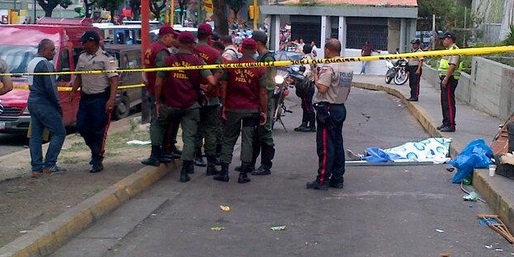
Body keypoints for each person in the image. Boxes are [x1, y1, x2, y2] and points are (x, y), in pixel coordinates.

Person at [153, 31, 216, 182]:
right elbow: (212, 82)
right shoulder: (198, 62)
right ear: (192, 44)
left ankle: (155, 155)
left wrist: (158, 101)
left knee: (158, 125)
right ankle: (185, 172)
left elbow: (157, 83)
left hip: (170, 103)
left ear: (179, 43)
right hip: (190, 105)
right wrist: (206, 91)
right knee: (189, 138)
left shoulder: (168, 60)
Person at [214, 38, 268, 183]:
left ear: (241, 49)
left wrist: (224, 105)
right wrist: (264, 111)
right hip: (252, 109)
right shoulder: (260, 68)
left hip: (233, 108)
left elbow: (224, 87)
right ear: (255, 50)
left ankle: (224, 172)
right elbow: (263, 92)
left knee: (228, 138)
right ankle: (243, 173)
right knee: (248, 140)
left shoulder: (230, 66)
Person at [306, 38, 353, 190]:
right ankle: (338, 178)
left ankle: (322, 179)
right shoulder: (347, 67)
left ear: (327, 50)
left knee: (326, 146)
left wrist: (315, 76)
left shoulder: (329, 67)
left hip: (328, 108)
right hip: (340, 107)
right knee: (338, 144)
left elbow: (322, 88)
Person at [70, 30, 119, 173]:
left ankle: (97, 159)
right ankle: (95, 149)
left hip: (100, 98)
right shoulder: (82, 58)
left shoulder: (107, 59)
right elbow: (79, 76)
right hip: (86, 98)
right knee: (81, 126)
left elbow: (114, 80)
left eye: (85, 42)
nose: (82, 44)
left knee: (99, 130)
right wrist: (73, 91)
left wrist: (111, 100)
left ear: (92, 42)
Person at [141, 25, 181, 166]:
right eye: (172, 36)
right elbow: (161, 76)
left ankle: (164, 151)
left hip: (153, 89)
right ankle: (157, 154)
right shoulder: (161, 51)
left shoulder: (151, 48)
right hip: (160, 92)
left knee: (161, 121)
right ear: (165, 36)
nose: (174, 39)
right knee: (159, 123)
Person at [26, 39, 66, 178]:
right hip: (44, 103)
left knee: (35, 136)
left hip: (32, 101)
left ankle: (36, 168)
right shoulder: (45, 64)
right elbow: (51, 87)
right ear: (44, 50)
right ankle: (50, 164)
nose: (54, 53)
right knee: (59, 132)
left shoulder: (31, 62)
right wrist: (58, 105)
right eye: (51, 50)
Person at [193, 23, 223, 176]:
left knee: (196, 128)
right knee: (210, 129)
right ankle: (211, 163)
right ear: (210, 36)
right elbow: (219, 73)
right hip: (211, 97)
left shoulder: (190, 51)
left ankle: (196, 157)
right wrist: (210, 87)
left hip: (193, 97)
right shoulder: (215, 53)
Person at [248, 30, 276, 176]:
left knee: (265, 131)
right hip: (259, 98)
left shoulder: (267, 58)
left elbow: (267, 84)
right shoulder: (261, 57)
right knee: (255, 132)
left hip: (266, 98)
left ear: (257, 43)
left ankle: (266, 164)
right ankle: (251, 163)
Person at [437, 32, 461, 133]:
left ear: (450, 39)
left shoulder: (455, 50)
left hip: (450, 79)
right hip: (446, 79)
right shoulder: (448, 50)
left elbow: (452, 65)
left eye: (444, 39)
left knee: (449, 102)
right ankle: (446, 122)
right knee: (444, 102)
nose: (443, 41)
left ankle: (450, 124)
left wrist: (446, 78)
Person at [294, 44, 316, 132]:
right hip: (310, 84)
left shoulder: (306, 59)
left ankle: (311, 125)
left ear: (303, 50)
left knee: (307, 105)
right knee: (305, 105)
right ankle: (304, 124)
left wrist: (299, 77)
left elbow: (306, 72)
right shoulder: (313, 58)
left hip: (307, 85)